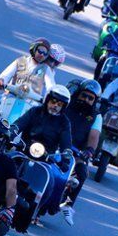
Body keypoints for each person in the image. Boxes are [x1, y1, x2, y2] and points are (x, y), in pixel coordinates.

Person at [12, 85, 74, 225]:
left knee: (52, 182)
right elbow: (19, 124)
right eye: (53, 101)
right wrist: (11, 131)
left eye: (59, 104)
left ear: (63, 107)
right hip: (23, 150)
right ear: (47, 100)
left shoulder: (64, 122)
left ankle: (37, 210)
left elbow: (66, 144)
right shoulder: (35, 111)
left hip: (46, 159)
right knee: (5, 162)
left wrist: (66, 157)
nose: (55, 106)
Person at [59, 79, 103, 226]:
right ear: (78, 94)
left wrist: (89, 150)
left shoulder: (96, 117)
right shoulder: (65, 105)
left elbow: (94, 135)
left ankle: (68, 205)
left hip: (76, 153)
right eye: (84, 95)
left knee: (82, 172)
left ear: (95, 101)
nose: (86, 100)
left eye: (91, 98)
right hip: (54, 145)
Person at [0, 38, 55, 117]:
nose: (42, 54)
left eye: (45, 53)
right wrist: (2, 80)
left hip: (32, 101)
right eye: (40, 51)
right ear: (34, 49)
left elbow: (51, 86)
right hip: (12, 94)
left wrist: (50, 97)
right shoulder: (20, 61)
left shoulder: (46, 69)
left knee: (37, 118)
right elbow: (6, 74)